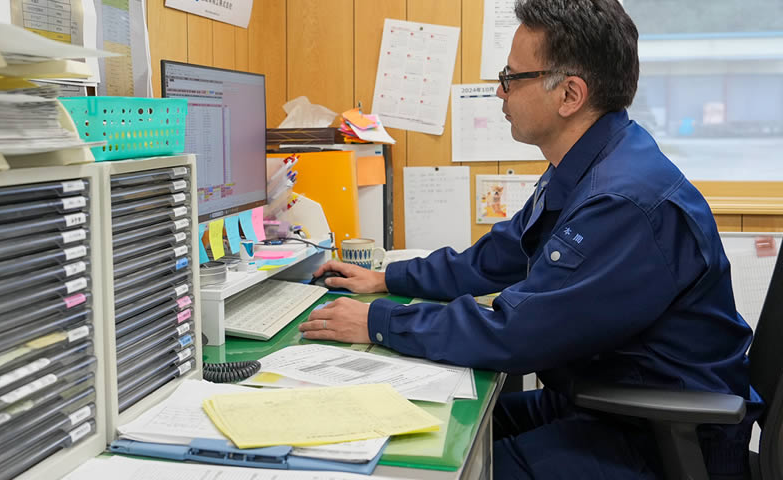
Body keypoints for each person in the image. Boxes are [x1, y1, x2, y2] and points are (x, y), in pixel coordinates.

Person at [299, 0, 763, 478]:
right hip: (605, 402)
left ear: (569, 95)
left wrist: (379, 322)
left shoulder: (623, 201)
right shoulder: (590, 162)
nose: (499, 90)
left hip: (658, 438)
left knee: (447, 465)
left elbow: (516, 333)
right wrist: (387, 278)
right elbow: (499, 255)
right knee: (430, 431)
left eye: (511, 77)